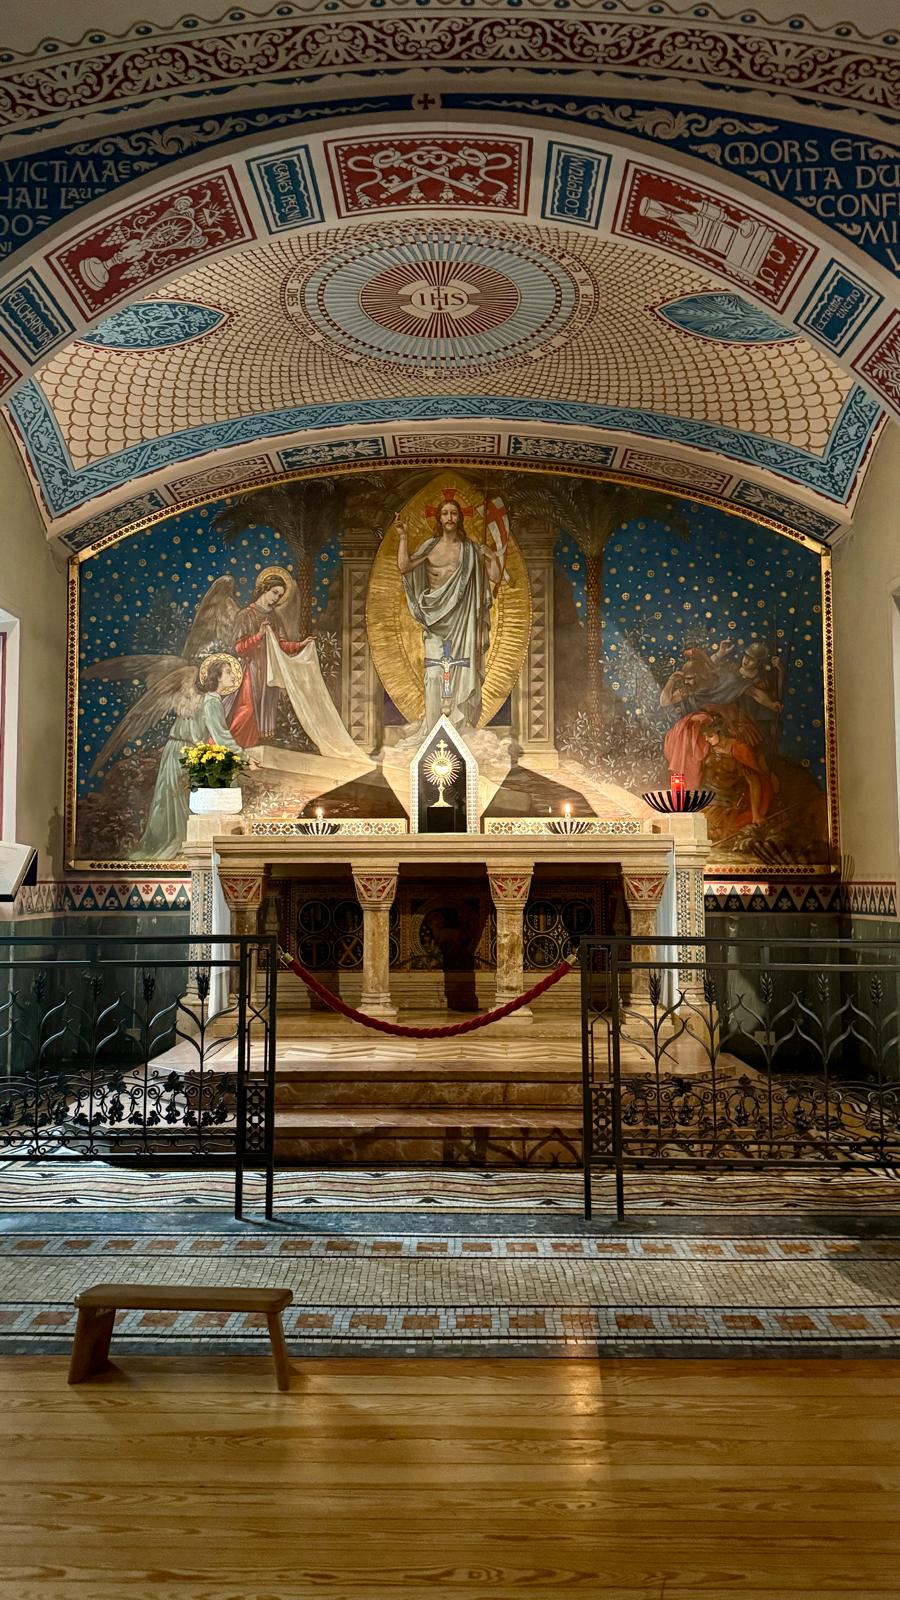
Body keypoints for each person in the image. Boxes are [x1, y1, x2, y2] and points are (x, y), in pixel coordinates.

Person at [396, 497, 502, 732]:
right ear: (439, 518)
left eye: (453, 513)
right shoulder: (430, 547)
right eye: (445, 513)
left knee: (463, 672)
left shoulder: (470, 550)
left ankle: (459, 728)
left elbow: (495, 576)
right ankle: (434, 730)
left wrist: (492, 557)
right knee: (434, 675)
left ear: (459, 518)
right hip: (435, 620)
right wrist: (403, 538)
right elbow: (404, 567)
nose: (449, 518)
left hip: (463, 621)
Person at [134, 654, 246, 860]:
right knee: (176, 799)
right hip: (183, 751)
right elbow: (222, 736)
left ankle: (181, 843)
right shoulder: (211, 701)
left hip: (178, 749)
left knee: (173, 798)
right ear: (217, 676)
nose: (233, 676)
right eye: (228, 672)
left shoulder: (207, 699)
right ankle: (181, 843)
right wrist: (244, 757)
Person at [229, 567, 311, 745]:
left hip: (269, 673)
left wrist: (300, 645)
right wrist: (258, 636)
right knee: (247, 709)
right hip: (251, 671)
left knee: (264, 714)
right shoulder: (245, 615)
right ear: (264, 589)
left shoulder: (274, 618)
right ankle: (230, 748)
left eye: (280, 595)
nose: (276, 598)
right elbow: (239, 648)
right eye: (274, 592)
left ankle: (252, 750)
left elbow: (281, 645)